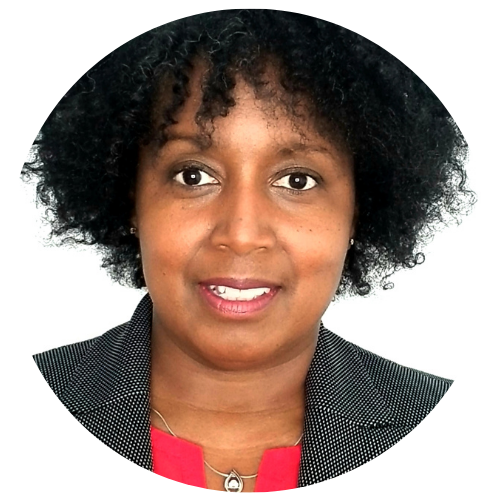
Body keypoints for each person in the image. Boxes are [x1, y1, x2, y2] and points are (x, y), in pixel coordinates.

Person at [22, 10, 474, 492]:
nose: (241, 234)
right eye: (193, 175)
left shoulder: (463, 438)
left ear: (357, 213)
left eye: (296, 181)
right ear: (132, 199)